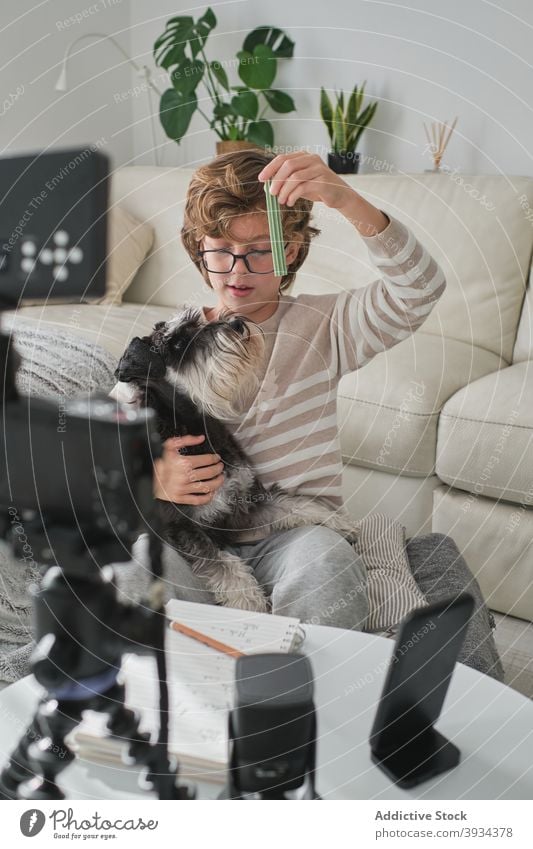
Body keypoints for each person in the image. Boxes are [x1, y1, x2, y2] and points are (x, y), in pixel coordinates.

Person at [148, 149, 448, 632]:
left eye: (260, 250)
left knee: (327, 568)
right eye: (220, 249)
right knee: (129, 571)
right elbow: (107, 453)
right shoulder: (162, 346)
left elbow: (421, 288)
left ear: (290, 249)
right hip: (192, 543)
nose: (237, 271)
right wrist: (153, 478)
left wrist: (346, 200)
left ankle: (299, 700)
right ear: (197, 247)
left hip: (295, 536)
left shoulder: (326, 325)